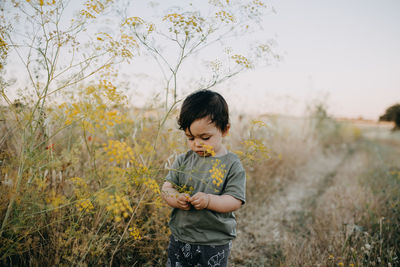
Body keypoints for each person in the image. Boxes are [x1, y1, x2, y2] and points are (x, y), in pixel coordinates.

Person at [161, 89, 246, 267]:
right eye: (190, 138)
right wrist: (176, 198)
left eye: (205, 137)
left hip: (213, 242)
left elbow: (235, 200)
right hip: (181, 237)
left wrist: (209, 200)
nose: (197, 144)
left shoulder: (231, 164)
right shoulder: (183, 160)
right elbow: (167, 188)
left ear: (225, 130)